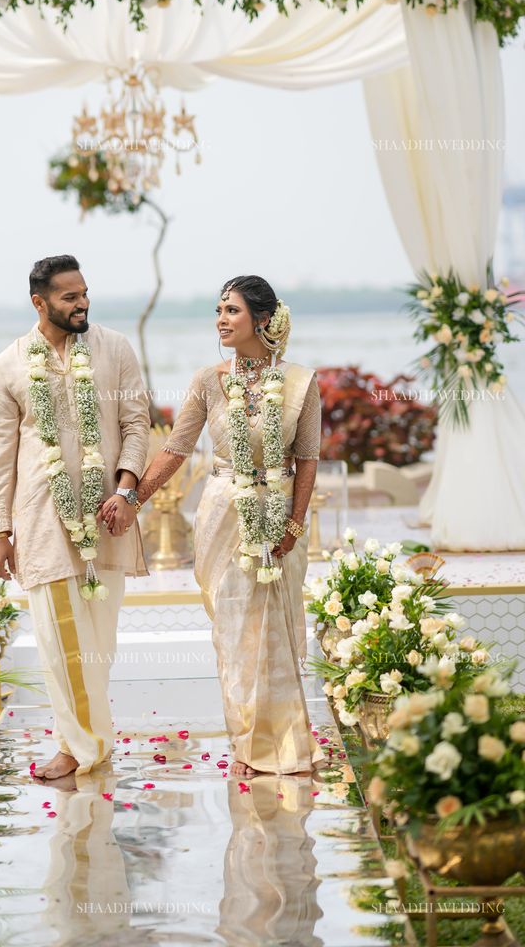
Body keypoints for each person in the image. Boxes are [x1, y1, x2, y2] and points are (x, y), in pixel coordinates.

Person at [111, 275, 324, 777]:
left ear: (263, 319)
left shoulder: (301, 383)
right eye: (218, 311)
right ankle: (248, 744)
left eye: (231, 311)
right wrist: (132, 498)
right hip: (223, 513)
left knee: (279, 629)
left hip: (280, 515)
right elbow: (176, 449)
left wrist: (294, 523)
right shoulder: (209, 380)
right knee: (233, 632)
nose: (221, 320)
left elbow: (308, 460)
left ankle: (288, 742)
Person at [0, 254, 150, 780]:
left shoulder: (115, 348)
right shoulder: (9, 364)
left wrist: (127, 492)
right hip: (40, 517)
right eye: (69, 297)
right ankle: (80, 748)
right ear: (40, 302)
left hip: (108, 514)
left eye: (84, 293)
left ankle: (82, 738)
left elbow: (137, 424)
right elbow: (2, 453)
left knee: (99, 642)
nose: (82, 304)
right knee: (60, 639)